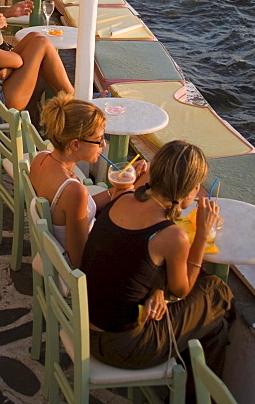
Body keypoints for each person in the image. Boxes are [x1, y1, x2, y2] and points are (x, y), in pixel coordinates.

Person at [81, 139, 235, 383]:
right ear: (187, 189)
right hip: (124, 347)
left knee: (214, 325)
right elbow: (182, 290)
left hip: (84, 329)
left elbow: (130, 263)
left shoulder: (122, 199)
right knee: (217, 294)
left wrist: (157, 289)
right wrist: (202, 233)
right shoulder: (171, 236)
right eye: (197, 186)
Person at [29, 94, 148, 268]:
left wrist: (116, 191)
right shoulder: (73, 190)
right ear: (75, 145)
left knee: (145, 175)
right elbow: (80, 262)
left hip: (56, 251)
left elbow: (77, 207)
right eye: (99, 140)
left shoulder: (41, 158)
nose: (103, 145)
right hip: (75, 271)